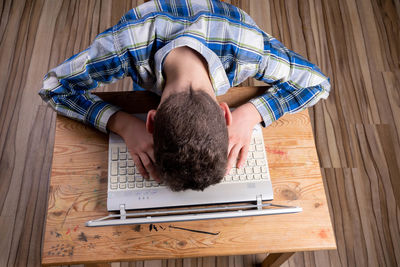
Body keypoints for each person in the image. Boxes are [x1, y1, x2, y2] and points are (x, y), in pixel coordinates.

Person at [39, 0, 330, 191]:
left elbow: (319, 83)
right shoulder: (123, 45)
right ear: (224, 113)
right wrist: (122, 124)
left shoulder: (249, 47)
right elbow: (52, 86)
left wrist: (251, 113)